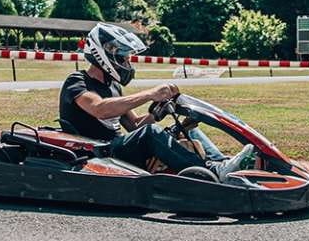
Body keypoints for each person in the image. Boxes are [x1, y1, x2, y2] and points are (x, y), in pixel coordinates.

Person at [59, 23, 254, 181]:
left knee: (187, 129)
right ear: (104, 55)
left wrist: (161, 112)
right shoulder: (77, 81)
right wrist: (150, 94)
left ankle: (221, 166)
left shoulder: (113, 87)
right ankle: (213, 173)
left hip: (119, 147)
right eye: (124, 59)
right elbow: (99, 109)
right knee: (150, 133)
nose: (127, 65)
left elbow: (135, 126)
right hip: (98, 151)